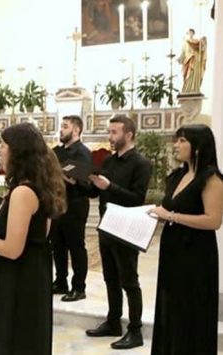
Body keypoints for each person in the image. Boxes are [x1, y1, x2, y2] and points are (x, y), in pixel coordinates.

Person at [0, 122, 65, 355]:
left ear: (18, 152)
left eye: (3, 146)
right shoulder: (25, 187)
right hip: (27, 272)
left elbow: (12, 248)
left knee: (15, 339)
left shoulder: (23, 192)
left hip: (20, 277)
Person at [148, 124, 223, 354]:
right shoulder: (179, 175)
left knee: (191, 311)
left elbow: (213, 221)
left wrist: (171, 216)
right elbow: (171, 208)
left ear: (198, 147)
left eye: (182, 141)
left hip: (196, 254)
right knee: (171, 308)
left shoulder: (211, 178)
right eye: (176, 140)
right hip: (173, 248)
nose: (175, 145)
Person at [85, 115, 152, 350]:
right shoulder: (109, 162)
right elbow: (96, 194)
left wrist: (109, 186)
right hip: (106, 226)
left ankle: (135, 331)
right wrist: (85, 181)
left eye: (114, 132)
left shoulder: (141, 164)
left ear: (129, 135)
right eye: (110, 132)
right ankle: (113, 321)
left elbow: (137, 199)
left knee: (129, 281)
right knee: (110, 278)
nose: (110, 137)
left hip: (127, 228)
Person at [50, 115, 92, 302]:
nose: (61, 129)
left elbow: (84, 182)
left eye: (65, 126)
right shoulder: (57, 152)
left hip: (75, 204)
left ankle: (79, 287)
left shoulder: (82, 152)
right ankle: (60, 281)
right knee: (57, 245)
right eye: (61, 126)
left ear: (76, 130)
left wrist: (67, 175)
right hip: (57, 203)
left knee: (76, 246)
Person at [177, 29, 207, 94]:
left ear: (193, 33)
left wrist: (203, 42)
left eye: (192, 33)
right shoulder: (185, 43)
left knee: (193, 74)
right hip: (188, 61)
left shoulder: (196, 41)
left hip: (195, 60)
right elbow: (183, 52)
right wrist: (179, 59)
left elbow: (202, 48)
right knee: (187, 75)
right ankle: (186, 89)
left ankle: (195, 89)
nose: (190, 34)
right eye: (189, 33)